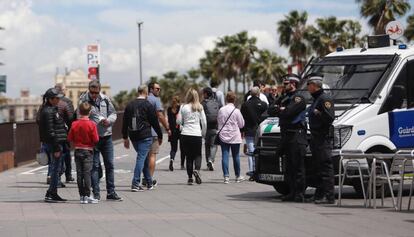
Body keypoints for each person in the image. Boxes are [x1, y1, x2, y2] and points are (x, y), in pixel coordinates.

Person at [78, 80, 122, 201]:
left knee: (110, 165)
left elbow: (113, 113)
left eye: (96, 92)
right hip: (93, 139)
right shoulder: (83, 100)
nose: (93, 95)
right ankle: (96, 193)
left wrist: (109, 120)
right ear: (89, 89)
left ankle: (111, 192)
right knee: (95, 166)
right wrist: (94, 122)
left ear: (99, 90)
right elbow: (79, 117)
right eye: (91, 92)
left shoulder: (105, 99)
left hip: (106, 136)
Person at [122, 85, 163, 191]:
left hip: (133, 136)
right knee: (141, 158)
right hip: (145, 135)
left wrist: (125, 137)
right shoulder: (147, 105)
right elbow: (154, 121)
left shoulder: (130, 105)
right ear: (146, 92)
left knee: (143, 158)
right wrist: (160, 135)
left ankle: (149, 183)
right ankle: (135, 183)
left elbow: (125, 122)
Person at [275, 74, 307, 202]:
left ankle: (299, 193)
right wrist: (281, 109)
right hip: (286, 135)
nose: (284, 85)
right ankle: (292, 192)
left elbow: (289, 112)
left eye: (286, 83)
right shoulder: (284, 97)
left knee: (298, 166)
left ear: (293, 84)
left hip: (296, 135)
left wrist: (282, 110)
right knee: (289, 167)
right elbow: (270, 109)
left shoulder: (298, 98)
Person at [306, 74, 336, 204]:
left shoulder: (324, 98)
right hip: (316, 137)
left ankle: (329, 197)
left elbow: (329, 117)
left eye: (308, 84)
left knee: (325, 167)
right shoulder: (316, 99)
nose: (307, 87)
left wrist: (319, 113)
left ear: (314, 85)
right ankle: (319, 194)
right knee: (318, 168)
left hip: (323, 137)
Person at [37, 88, 67, 202]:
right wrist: (56, 147)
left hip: (55, 142)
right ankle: (51, 193)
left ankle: (52, 192)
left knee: (56, 169)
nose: (59, 99)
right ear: (50, 99)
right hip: (54, 144)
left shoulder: (50, 109)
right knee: (55, 169)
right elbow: (50, 131)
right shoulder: (48, 111)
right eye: (57, 98)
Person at [67, 102, 99, 204]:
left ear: (79, 111)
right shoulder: (92, 124)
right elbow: (96, 139)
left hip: (77, 150)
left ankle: (81, 196)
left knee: (79, 174)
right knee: (87, 174)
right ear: (90, 112)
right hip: (88, 150)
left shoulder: (74, 124)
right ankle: (87, 195)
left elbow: (70, 138)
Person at [176, 88, 207, 185]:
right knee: (198, 154)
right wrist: (203, 133)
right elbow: (204, 122)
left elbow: (179, 121)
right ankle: (197, 170)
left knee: (188, 157)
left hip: (185, 134)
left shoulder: (183, 107)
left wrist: (183, 123)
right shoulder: (200, 107)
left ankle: (190, 178)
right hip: (196, 134)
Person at [145, 82, 171, 186]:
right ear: (151, 89)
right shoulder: (155, 100)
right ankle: (149, 180)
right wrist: (167, 128)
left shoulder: (144, 99)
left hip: (142, 132)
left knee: (144, 156)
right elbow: (160, 115)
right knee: (152, 155)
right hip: (152, 132)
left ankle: (144, 177)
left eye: (159, 89)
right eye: (157, 89)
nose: (159, 91)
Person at [241, 87, 268, 181]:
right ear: (258, 93)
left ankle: (252, 171)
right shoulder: (264, 105)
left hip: (249, 130)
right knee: (259, 151)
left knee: (251, 151)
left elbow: (242, 118)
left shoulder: (245, 105)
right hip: (260, 130)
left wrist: (242, 130)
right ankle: (258, 170)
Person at [218, 91, 245, 184]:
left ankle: (226, 177)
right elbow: (241, 124)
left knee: (225, 155)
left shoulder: (221, 110)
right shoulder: (237, 111)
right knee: (236, 156)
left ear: (226, 99)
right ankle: (238, 176)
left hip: (223, 135)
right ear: (234, 100)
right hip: (234, 136)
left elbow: (219, 122)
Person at [55, 83, 75, 184]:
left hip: (52, 134)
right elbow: (71, 118)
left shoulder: (47, 102)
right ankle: (68, 175)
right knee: (66, 154)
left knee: (54, 154)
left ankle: (53, 176)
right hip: (64, 133)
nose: (66, 90)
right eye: (65, 88)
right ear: (61, 90)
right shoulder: (66, 102)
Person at [201, 87, 221, 171]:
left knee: (207, 145)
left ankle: (208, 162)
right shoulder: (216, 102)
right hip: (215, 127)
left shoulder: (203, 103)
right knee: (214, 145)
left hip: (206, 127)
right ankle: (211, 160)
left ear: (206, 94)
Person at [167, 96, 184, 171]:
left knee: (173, 148)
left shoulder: (169, 109)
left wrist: (168, 129)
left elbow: (169, 121)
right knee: (183, 148)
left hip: (172, 130)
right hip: (180, 130)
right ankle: (182, 165)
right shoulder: (181, 108)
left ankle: (171, 159)